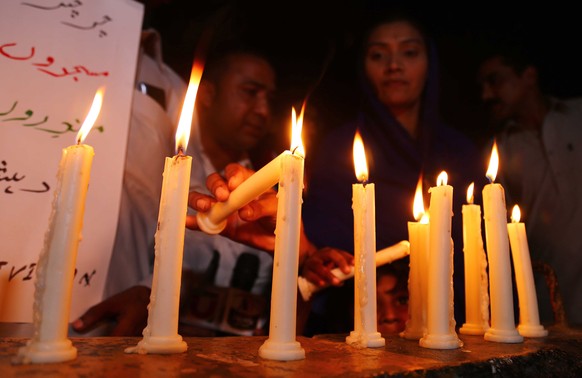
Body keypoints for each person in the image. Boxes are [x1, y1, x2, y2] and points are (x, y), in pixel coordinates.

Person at [73, 43, 282, 336]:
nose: (263, 111)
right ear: (207, 94)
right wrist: (149, 294)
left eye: (268, 98)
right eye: (250, 92)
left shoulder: (266, 190)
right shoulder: (159, 173)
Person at [300, 10, 483, 335]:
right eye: (378, 55)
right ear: (363, 68)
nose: (394, 65)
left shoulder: (459, 151)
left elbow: (480, 252)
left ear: (430, 65)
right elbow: (320, 239)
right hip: (360, 323)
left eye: (409, 53)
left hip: (455, 326)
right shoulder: (340, 146)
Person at [478, 45, 582, 327]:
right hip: (550, 301)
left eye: (495, 80)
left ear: (528, 76)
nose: (487, 94)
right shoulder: (499, 149)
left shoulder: (577, 116)